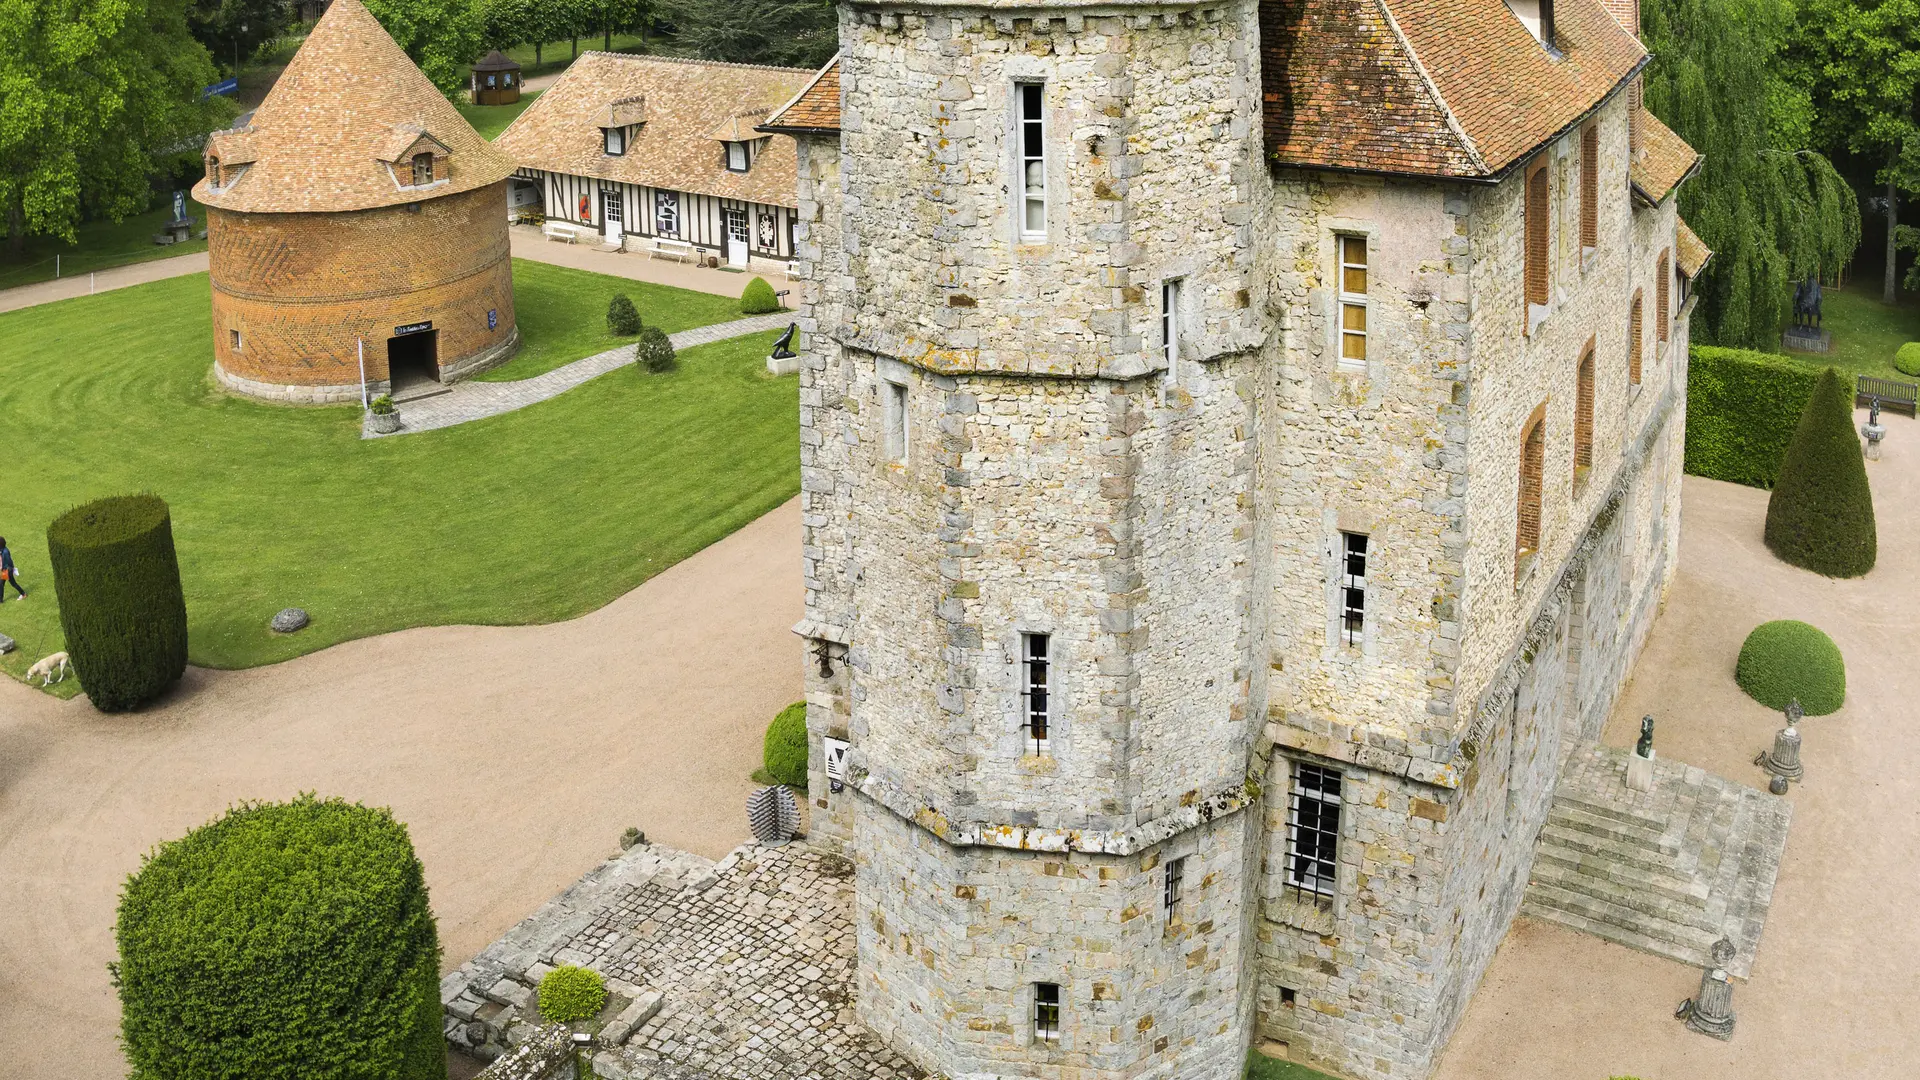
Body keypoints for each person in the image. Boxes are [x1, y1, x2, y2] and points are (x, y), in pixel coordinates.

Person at [0, 537, 25, 602]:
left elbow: (9, 562)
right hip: (5, 570)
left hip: (7, 571)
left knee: (13, 583)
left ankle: (23, 594)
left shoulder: (5, 552)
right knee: (1, 584)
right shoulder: (2, 550)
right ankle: (0, 600)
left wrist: (10, 569)